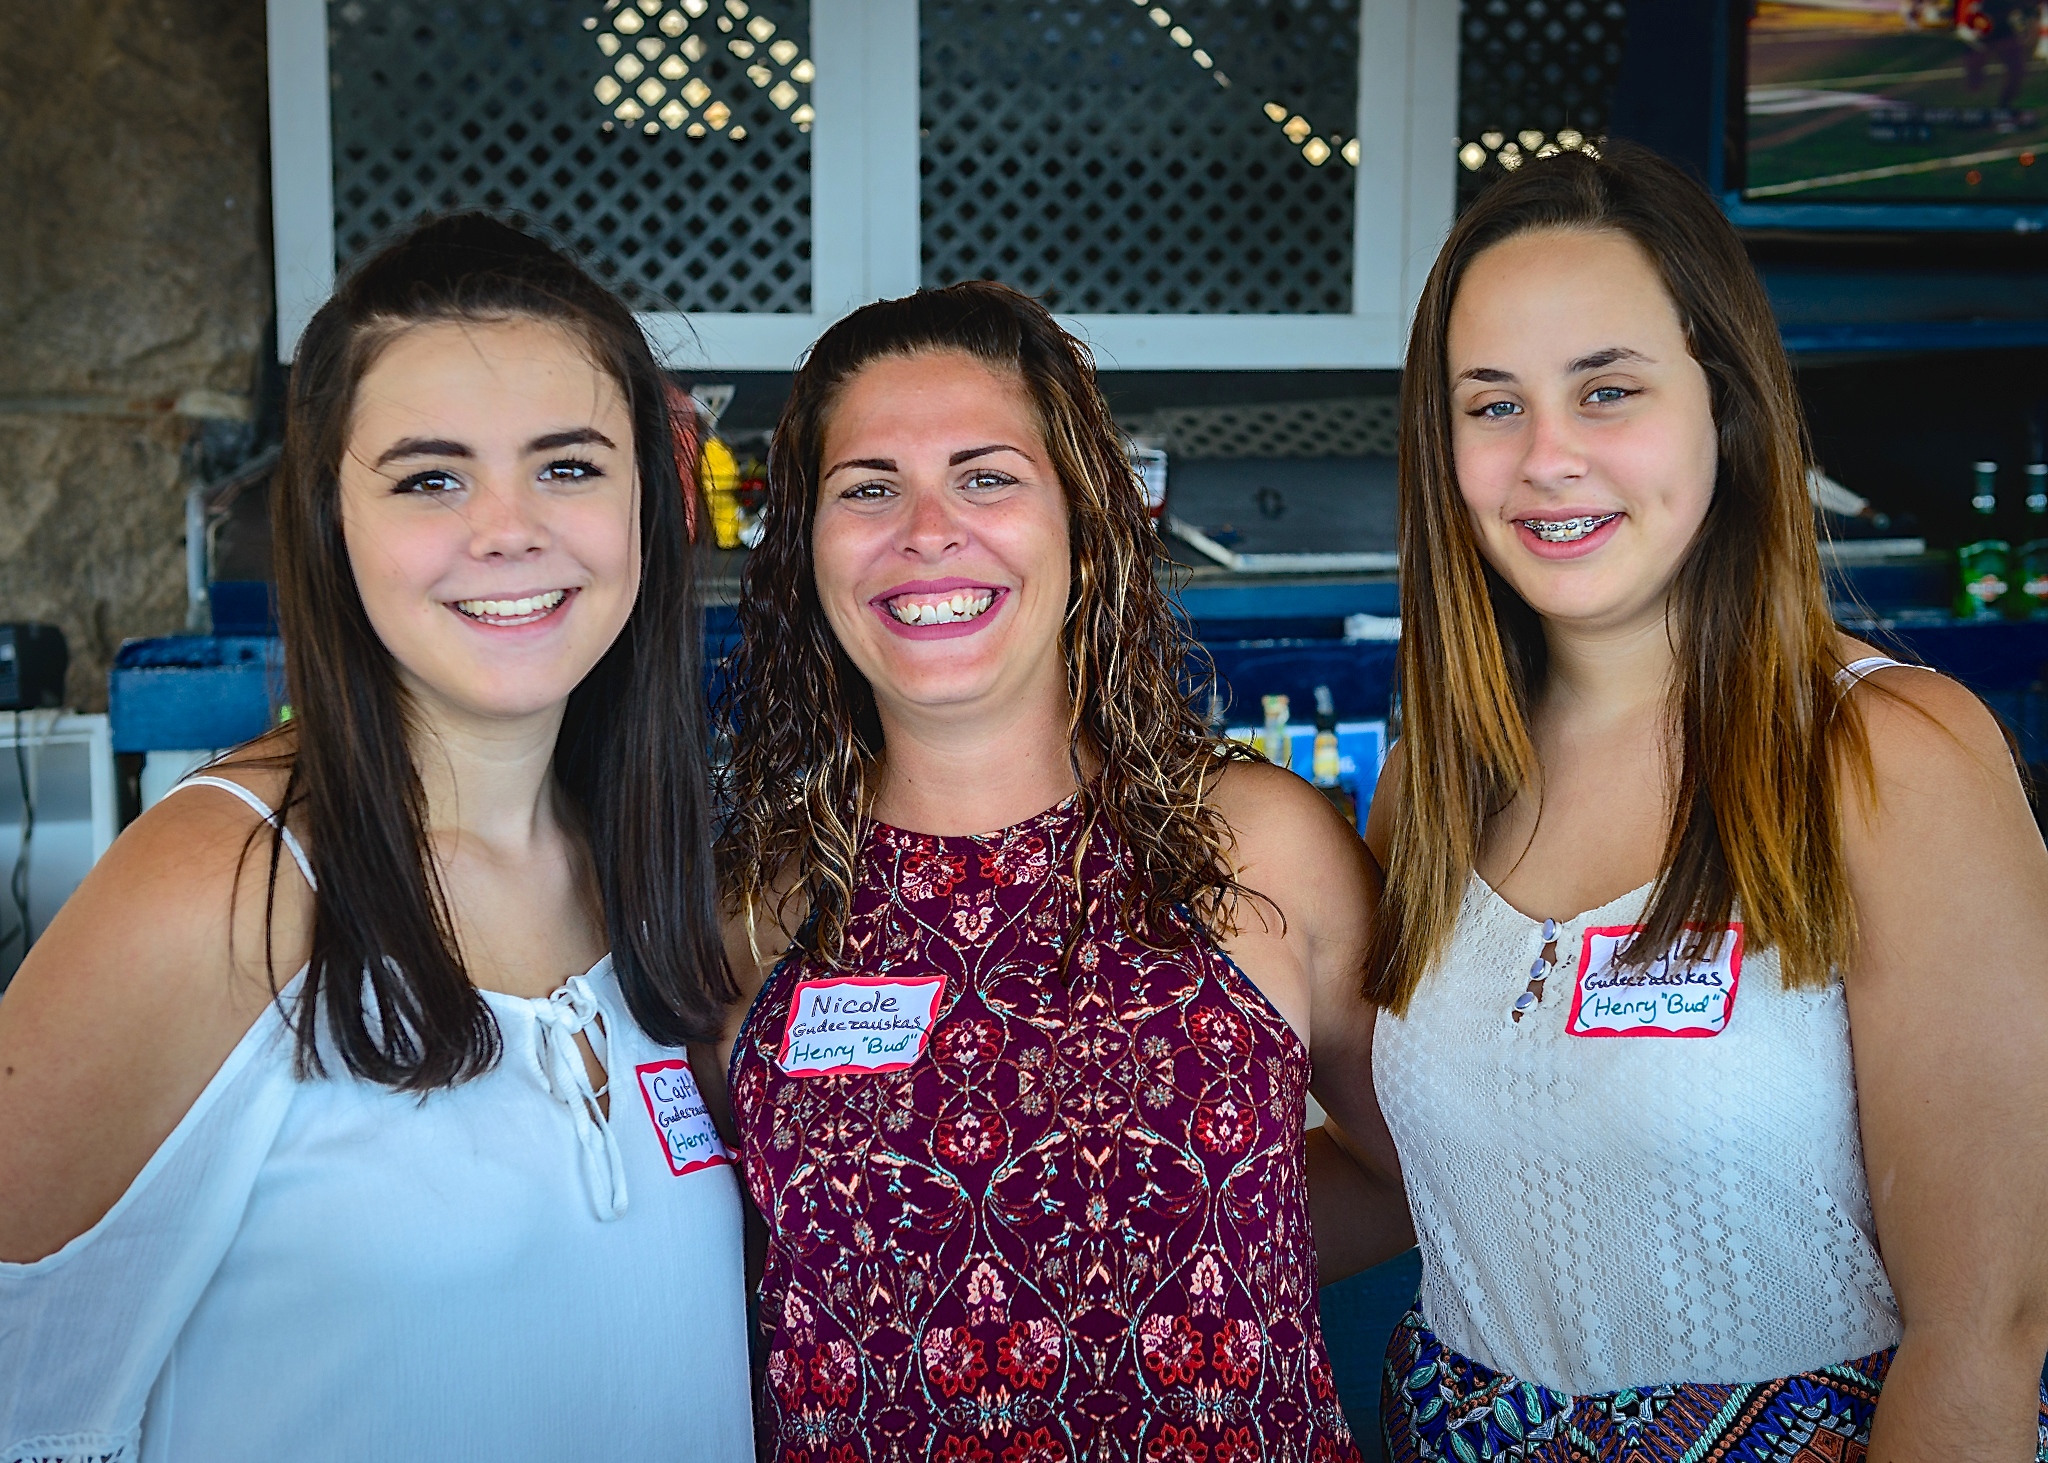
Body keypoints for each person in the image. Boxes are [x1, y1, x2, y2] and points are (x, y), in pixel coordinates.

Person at [0, 214, 753, 1461]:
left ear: (649, 503)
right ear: (330, 519)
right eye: (430, 477)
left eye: (568, 466)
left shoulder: (649, 863)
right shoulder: (226, 883)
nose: (508, 529)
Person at [1340, 141, 2048, 1460]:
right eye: (1491, 404)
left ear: (1721, 405)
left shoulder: (1890, 756)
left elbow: (1988, 1327)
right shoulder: (1442, 779)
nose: (1549, 457)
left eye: (1606, 389)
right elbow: (1424, 1180)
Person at [706, 282, 1414, 1462]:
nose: (925, 529)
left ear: (1083, 528)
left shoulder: (1256, 845)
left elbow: (1409, 1169)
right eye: (867, 487)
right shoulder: (751, 903)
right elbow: (732, 1267)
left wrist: (1204, 1264)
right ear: (806, 546)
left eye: (986, 475)